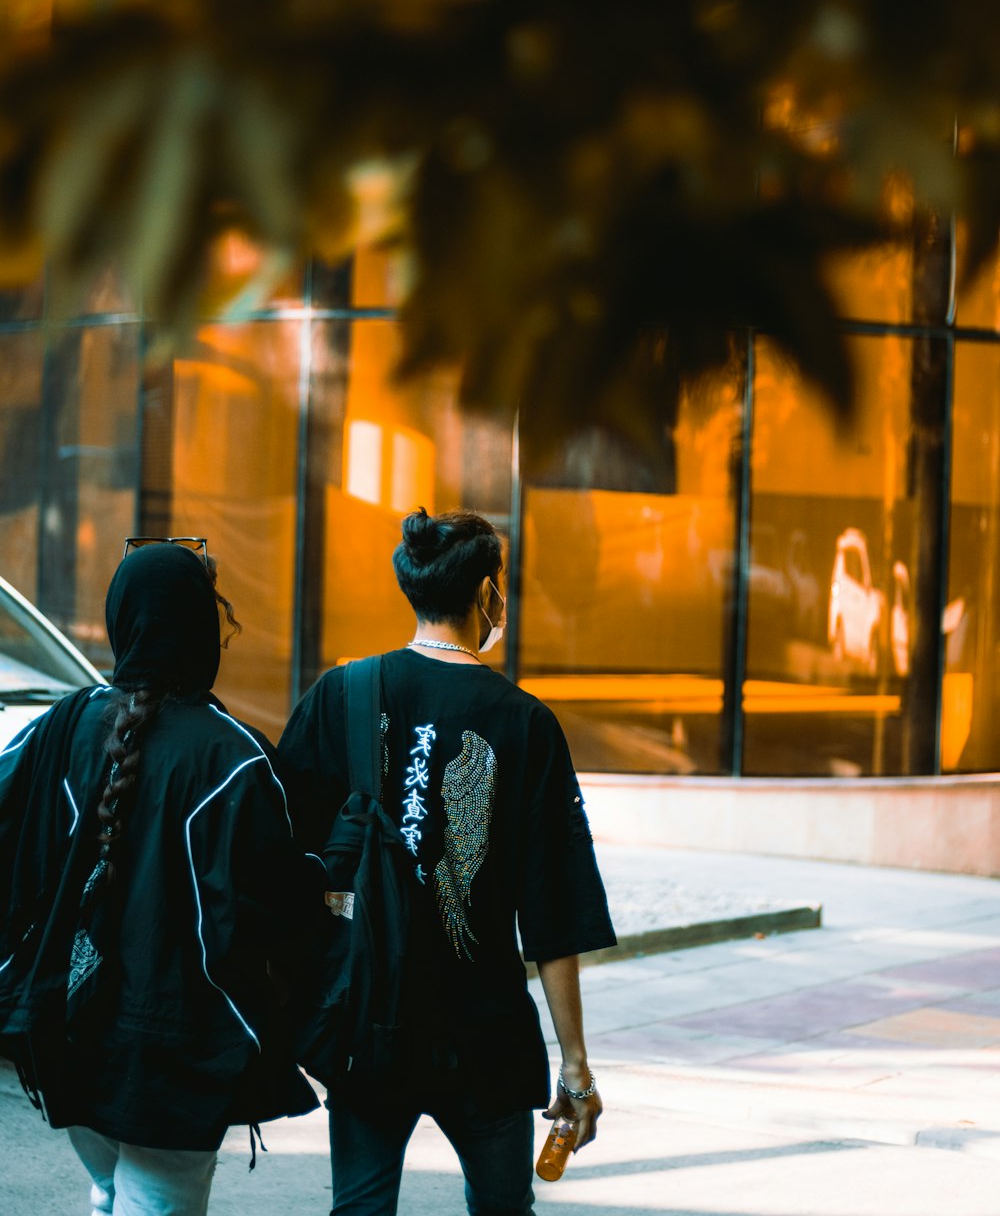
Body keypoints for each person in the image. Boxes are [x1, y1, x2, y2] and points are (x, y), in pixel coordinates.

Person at [279, 506, 616, 1216]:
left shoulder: (341, 695)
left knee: (360, 1208)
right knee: (501, 1208)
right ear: (487, 592)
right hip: (484, 1031)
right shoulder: (525, 724)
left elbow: (281, 861)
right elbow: (553, 914)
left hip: (369, 1022)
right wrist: (576, 1067)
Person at [0, 540, 321, 1216]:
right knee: (150, 1200)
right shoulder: (233, 757)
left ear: (123, 620)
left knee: (110, 1190)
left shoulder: (59, 726)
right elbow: (280, 913)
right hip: (177, 1050)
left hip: (62, 1027)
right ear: (201, 629)